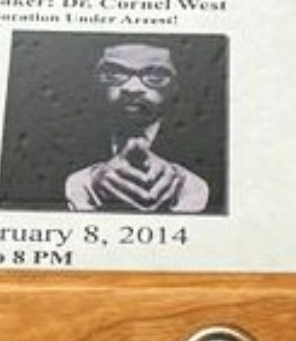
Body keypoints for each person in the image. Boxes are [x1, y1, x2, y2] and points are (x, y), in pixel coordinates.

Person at [61, 42, 217, 215]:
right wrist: (85, 182)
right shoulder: (55, 145)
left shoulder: (215, 152)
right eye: (113, 73)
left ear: (177, 86)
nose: (132, 88)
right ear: (93, 81)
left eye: (155, 75)